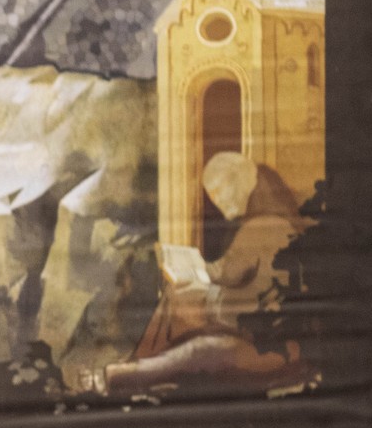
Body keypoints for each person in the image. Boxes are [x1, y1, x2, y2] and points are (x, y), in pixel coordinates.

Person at [101, 151, 311, 395]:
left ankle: (132, 368)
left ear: (243, 182)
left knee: (191, 328)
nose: (217, 200)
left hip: (268, 345)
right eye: (213, 194)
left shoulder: (261, 227)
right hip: (265, 332)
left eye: (220, 191)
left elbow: (228, 275)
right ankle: (135, 367)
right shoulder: (274, 222)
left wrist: (195, 274)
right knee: (182, 303)